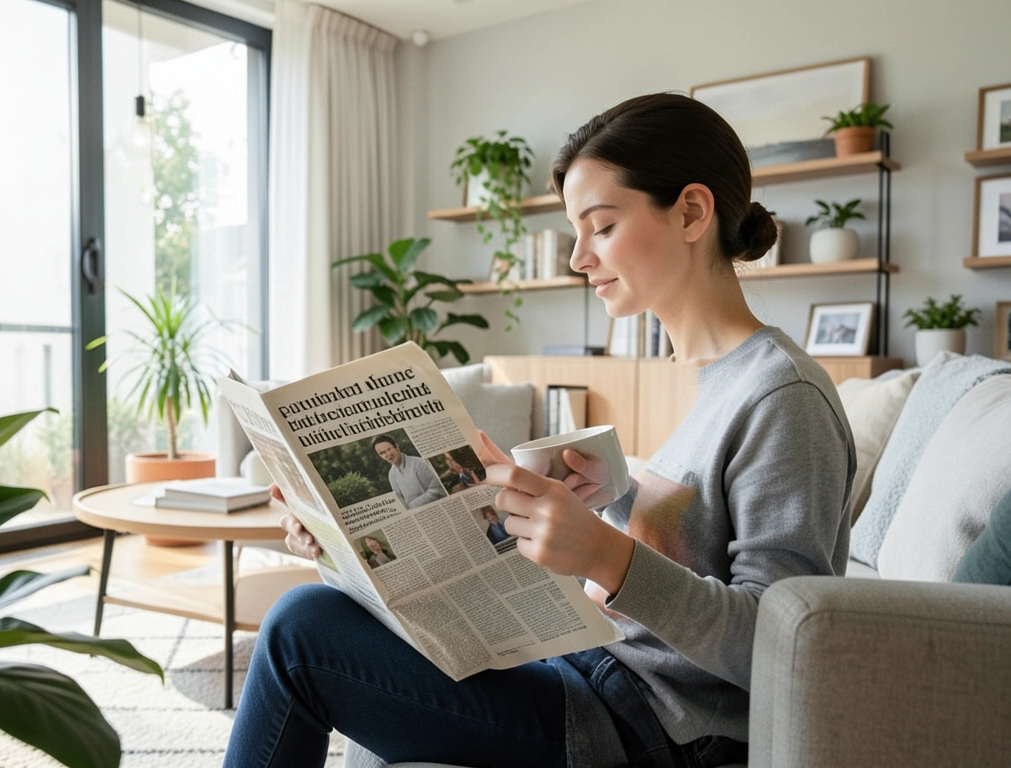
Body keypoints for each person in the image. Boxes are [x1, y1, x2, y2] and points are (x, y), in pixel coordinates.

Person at [224, 93, 854, 768]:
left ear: (692, 212)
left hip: (646, 722)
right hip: (581, 660)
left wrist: (604, 556)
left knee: (300, 630)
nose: (578, 257)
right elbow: (689, 540)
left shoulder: (781, 395)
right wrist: (339, 533)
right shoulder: (693, 374)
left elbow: (788, 647)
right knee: (339, 611)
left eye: (602, 226)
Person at [372, 434, 448, 510]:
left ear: (397, 447)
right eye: (382, 453)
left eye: (388, 449)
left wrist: (412, 507)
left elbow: (437, 490)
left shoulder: (419, 463)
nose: (387, 455)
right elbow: (400, 500)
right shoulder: (391, 475)